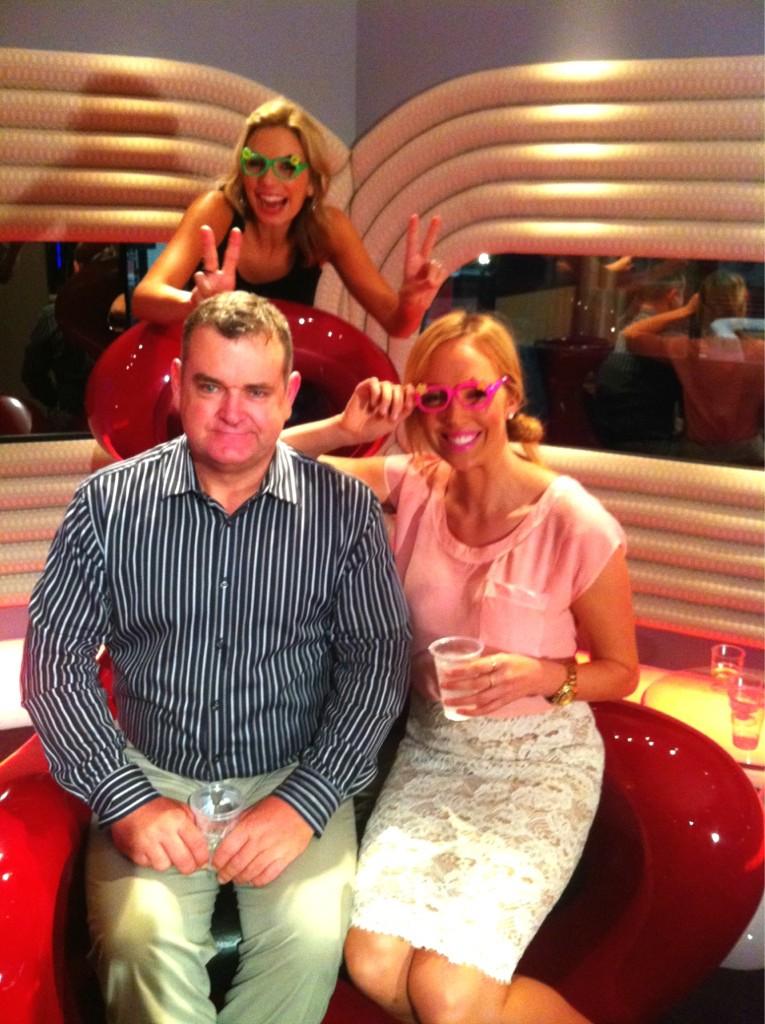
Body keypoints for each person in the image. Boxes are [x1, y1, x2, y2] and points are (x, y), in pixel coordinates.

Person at [21, 291, 411, 1024]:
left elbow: (376, 666)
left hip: (294, 771)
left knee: (309, 941)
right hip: (152, 771)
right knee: (139, 942)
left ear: (289, 396)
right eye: (211, 386)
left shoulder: (345, 512)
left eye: (256, 391)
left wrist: (308, 799)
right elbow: (55, 663)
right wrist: (123, 797)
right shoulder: (107, 505)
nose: (233, 412)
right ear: (178, 386)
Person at [284, 309, 639, 1024]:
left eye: (476, 393)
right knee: (372, 963)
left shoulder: (573, 519)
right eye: (435, 397)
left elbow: (621, 671)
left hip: (539, 766)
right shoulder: (412, 484)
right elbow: (253, 460)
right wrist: (343, 428)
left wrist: (544, 676)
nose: (456, 416)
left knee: (446, 995)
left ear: (511, 395)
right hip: (434, 756)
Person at [132, 96, 446, 336]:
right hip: (207, 376)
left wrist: (411, 304)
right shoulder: (216, 210)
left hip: (275, 381)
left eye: (287, 167)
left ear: (311, 182)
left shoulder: (328, 228)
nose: (268, 181)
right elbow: (144, 297)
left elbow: (396, 324)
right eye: (256, 163)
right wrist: (195, 303)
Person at [623, 270, 764, 464]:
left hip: (698, 454)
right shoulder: (760, 352)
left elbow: (630, 334)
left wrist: (686, 310)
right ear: (745, 300)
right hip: (747, 453)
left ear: (701, 305)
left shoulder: (687, 350)